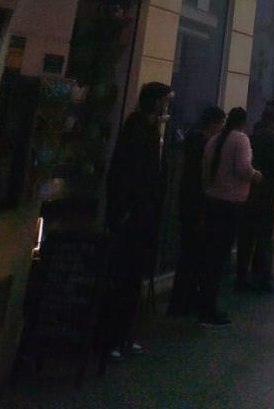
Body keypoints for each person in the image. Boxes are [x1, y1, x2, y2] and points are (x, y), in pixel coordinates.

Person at [101, 81, 170, 357]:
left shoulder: (149, 130)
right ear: (155, 102)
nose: (167, 105)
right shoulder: (138, 130)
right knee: (123, 277)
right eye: (165, 100)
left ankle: (125, 335)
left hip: (142, 217)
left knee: (133, 279)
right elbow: (127, 174)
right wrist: (125, 211)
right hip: (133, 218)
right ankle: (112, 338)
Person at [198, 108, 261, 326]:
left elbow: (205, 171)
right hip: (231, 203)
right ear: (243, 122)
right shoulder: (240, 139)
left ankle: (204, 303)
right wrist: (255, 175)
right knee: (220, 256)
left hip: (212, 200)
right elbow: (243, 168)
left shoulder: (214, 140)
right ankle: (210, 308)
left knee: (210, 255)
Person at [169, 104, 224, 315]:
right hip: (197, 205)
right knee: (193, 255)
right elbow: (201, 178)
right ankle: (185, 300)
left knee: (189, 254)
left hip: (188, 204)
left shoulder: (193, 141)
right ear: (214, 123)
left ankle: (182, 299)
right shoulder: (203, 144)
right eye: (220, 123)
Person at [237, 101, 274, 292]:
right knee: (264, 235)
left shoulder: (253, 135)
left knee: (247, 235)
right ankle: (262, 277)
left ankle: (242, 276)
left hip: (250, 190)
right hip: (267, 190)